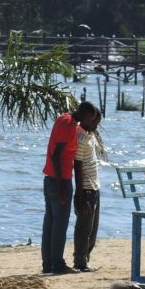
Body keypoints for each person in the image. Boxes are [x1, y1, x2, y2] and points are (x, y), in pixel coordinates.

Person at [42, 100, 101, 275]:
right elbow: (56, 155)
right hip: (60, 180)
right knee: (60, 225)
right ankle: (58, 265)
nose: (90, 123)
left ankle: (48, 264)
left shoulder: (63, 118)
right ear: (84, 115)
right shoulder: (69, 126)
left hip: (50, 178)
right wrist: (62, 184)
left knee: (50, 224)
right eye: (90, 118)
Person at [72, 115, 104, 272]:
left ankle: (86, 259)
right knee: (84, 228)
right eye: (93, 122)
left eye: (97, 123)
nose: (96, 126)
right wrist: (80, 194)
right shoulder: (80, 138)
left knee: (93, 228)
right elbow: (77, 166)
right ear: (85, 119)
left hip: (95, 188)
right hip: (86, 190)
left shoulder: (89, 136)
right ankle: (79, 260)